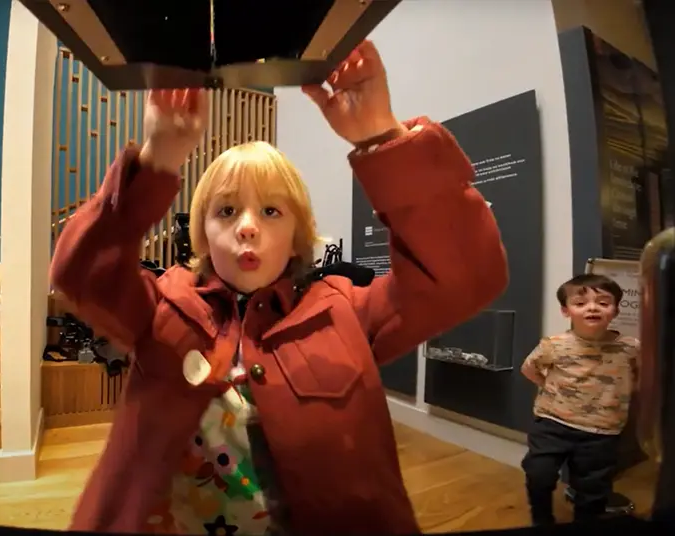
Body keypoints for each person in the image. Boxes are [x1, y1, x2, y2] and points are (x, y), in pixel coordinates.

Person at [50, 40, 508, 536]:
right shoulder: (159, 305)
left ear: (297, 235)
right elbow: (81, 272)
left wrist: (381, 137)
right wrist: (158, 159)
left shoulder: (348, 313)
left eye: (271, 211)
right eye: (226, 211)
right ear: (202, 233)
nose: (247, 227)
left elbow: (464, 278)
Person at [520, 274, 641, 525]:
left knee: (593, 489)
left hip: (603, 430)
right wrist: (549, 387)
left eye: (603, 302)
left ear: (616, 310)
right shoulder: (553, 345)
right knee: (538, 475)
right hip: (552, 423)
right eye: (581, 302)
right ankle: (541, 520)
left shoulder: (630, 348)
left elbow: (641, 377)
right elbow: (529, 369)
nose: (593, 307)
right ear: (566, 311)